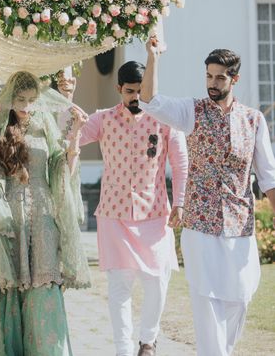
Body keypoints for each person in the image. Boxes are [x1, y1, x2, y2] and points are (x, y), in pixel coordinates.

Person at [140, 39, 275, 356]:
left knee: (240, 296)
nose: (212, 83)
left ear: (234, 79)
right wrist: (153, 58)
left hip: (239, 224)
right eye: (209, 76)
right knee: (205, 300)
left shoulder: (253, 120)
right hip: (200, 224)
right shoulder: (191, 111)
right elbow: (150, 101)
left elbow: (268, 173)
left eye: (219, 78)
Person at [58, 62, 188, 356]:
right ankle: (122, 349)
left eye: (142, 92)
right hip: (114, 215)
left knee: (157, 283)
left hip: (155, 215)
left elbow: (180, 165)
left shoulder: (166, 121)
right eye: (130, 91)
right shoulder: (103, 120)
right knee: (119, 288)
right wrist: (66, 100)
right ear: (119, 89)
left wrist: (179, 202)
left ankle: (148, 341)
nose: (136, 97)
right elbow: (69, 135)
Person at [0, 71, 90, 356]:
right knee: (9, 288)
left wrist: (76, 132)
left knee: (43, 285)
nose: (27, 105)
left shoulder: (45, 127)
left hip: (43, 218)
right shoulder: (1, 126)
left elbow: (62, 173)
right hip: (9, 217)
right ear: (9, 98)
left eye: (32, 100)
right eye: (20, 99)